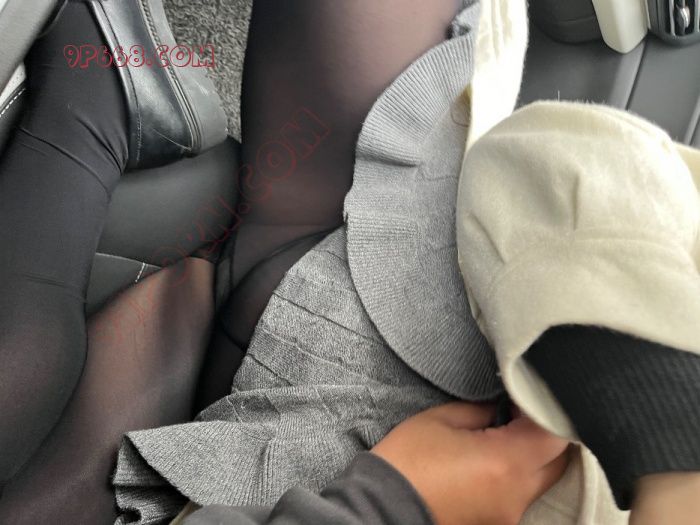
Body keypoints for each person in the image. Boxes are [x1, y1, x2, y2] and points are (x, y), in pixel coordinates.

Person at [0, 1, 698, 524]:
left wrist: (395, 503)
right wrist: (664, 439)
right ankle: (106, 120)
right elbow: (573, 169)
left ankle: (98, 117)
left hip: (301, 457)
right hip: (462, 307)